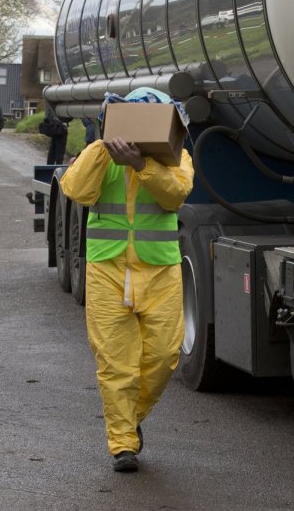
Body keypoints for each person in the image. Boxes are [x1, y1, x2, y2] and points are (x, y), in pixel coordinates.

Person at [58, 91, 194, 473]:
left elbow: (177, 194)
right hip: (108, 270)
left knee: (165, 356)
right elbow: (75, 190)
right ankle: (122, 443)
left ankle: (128, 418)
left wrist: (141, 164)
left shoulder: (176, 156)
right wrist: (104, 149)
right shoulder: (100, 155)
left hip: (159, 270)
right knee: (116, 362)